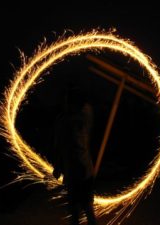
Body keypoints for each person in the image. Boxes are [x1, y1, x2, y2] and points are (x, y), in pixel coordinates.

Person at [53, 85, 97, 225]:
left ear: (74, 104)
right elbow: (61, 146)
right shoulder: (86, 115)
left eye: (67, 102)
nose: (65, 104)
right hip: (84, 172)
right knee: (84, 208)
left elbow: (60, 146)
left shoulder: (65, 122)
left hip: (77, 173)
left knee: (77, 210)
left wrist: (58, 167)